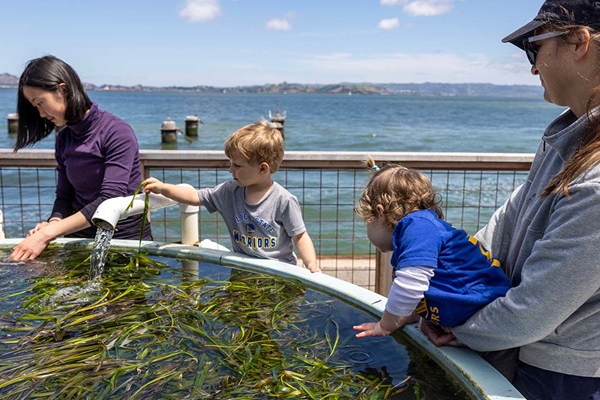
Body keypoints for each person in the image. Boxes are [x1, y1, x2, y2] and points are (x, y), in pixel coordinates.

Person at [419, 1, 600, 399]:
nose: (533, 67)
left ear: (580, 43)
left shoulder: (595, 179)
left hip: (566, 376)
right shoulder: (566, 137)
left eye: (534, 48)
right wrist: (441, 288)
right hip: (531, 355)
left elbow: (535, 308)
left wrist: (457, 326)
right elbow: (506, 224)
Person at [9, 55, 151, 261]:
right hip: (78, 242)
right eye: (35, 107)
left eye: (40, 103)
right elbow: (64, 195)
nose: (40, 114)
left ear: (63, 90)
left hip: (124, 243)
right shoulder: (64, 137)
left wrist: (49, 233)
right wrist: (54, 222)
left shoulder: (117, 131)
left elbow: (110, 199)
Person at [352, 157, 511, 338]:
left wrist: (384, 326)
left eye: (367, 222)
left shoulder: (417, 226)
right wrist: (409, 315)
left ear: (380, 212)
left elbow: (410, 285)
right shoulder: (424, 226)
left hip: (486, 314)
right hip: (481, 309)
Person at [143, 119, 320, 273]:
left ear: (262, 169)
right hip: (243, 269)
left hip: (280, 271)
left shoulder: (283, 200)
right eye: (230, 163)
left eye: (237, 165)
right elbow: (195, 196)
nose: (230, 169)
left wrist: (311, 264)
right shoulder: (229, 192)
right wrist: (164, 188)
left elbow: (300, 236)